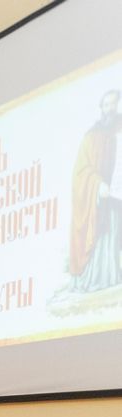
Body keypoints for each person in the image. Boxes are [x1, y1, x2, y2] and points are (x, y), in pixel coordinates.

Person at [68, 90, 122, 294]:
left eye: (114, 104)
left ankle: (112, 276)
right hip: (99, 198)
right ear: (101, 108)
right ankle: (97, 278)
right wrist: (98, 184)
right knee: (100, 235)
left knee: (113, 235)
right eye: (107, 105)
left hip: (116, 197)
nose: (111, 109)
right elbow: (81, 171)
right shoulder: (92, 136)